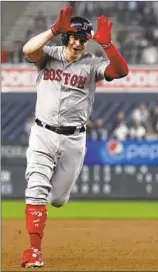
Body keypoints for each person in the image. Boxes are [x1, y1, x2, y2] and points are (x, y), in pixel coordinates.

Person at [21, 6, 128, 268]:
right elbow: (27, 50)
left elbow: (121, 71)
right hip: (43, 133)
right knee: (36, 188)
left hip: (73, 139)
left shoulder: (91, 64)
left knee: (57, 199)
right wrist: (53, 29)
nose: (79, 42)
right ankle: (34, 251)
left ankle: (45, 209)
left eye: (84, 38)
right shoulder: (49, 56)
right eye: (75, 37)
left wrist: (108, 45)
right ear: (65, 37)